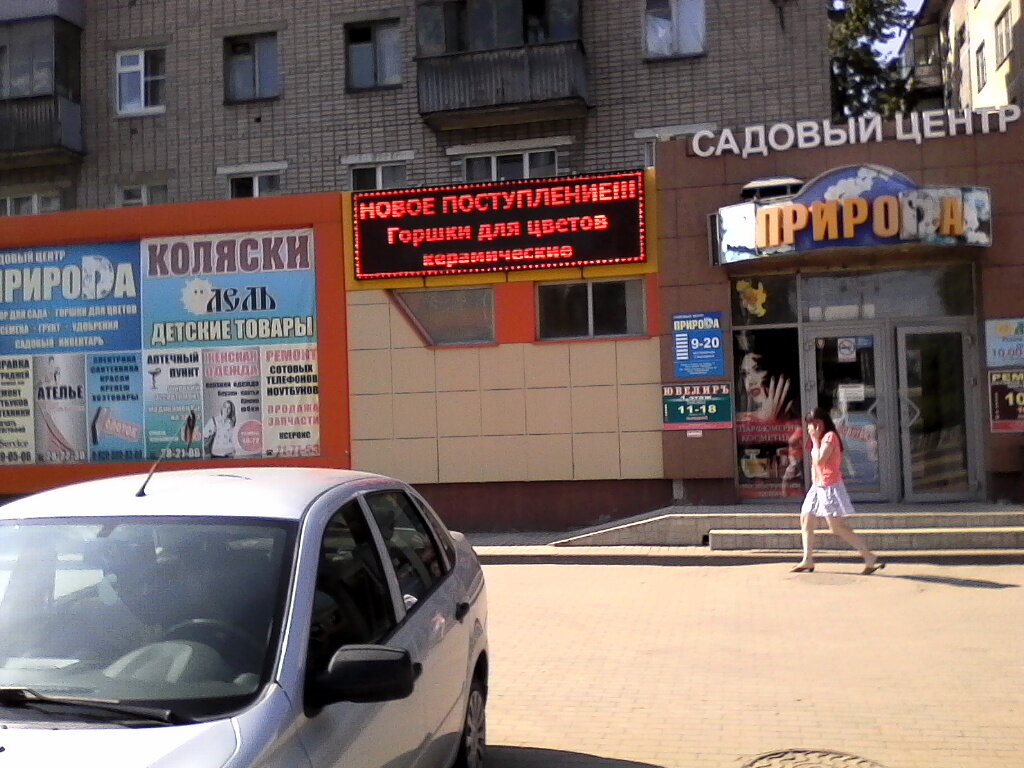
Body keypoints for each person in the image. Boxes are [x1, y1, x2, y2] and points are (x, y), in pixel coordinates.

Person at [791, 407, 885, 575]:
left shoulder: (829, 437)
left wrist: (815, 440)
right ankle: (807, 559)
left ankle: (869, 556)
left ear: (821, 423)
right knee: (806, 518)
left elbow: (820, 460)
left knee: (837, 527)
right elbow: (814, 465)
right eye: (809, 424)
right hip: (818, 486)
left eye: (813, 424)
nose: (810, 428)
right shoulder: (819, 438)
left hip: (829, 486)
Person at [736, 332, 796, 421]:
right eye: (745, 374)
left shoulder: (799, 411)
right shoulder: (744, 419)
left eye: (757, 370)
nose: (750, 381)